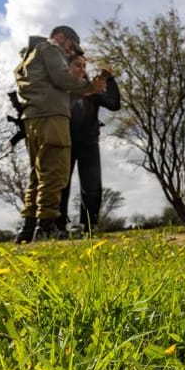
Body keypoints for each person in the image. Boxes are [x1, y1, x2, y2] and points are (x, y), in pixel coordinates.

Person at [14, 25, 105, 244]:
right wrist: (89, 86)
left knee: (37, 175)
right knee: (55, 173)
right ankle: (45, 227)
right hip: (52, 116)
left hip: (33, 118)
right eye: (71, 46)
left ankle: (28, 228)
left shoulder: (28, 57)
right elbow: (62, 78)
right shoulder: (50, 47)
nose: (70, 52)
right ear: (61, 37)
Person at [57, 55, 121, 235]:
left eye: (84, 66)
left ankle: (88, 226)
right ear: (67, 68)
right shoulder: (60, 89)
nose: (82, 69)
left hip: (89, 143)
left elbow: (114, 104)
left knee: (92, 185)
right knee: (61, 185)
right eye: (77, 65)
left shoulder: (93, 91)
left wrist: (110, 79)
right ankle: (59, 226)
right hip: (65, 143)